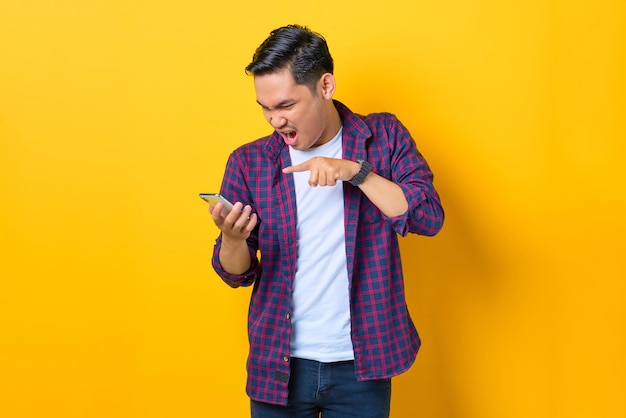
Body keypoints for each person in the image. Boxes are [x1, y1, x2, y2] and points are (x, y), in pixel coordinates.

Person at [209, 24, 444, 418]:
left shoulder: (383, 136)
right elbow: (236, 273)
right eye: (265, 108)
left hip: (362, 365)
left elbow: (427, 216)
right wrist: (232, 240)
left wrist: (356, 171)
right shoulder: (247, 162)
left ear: (326, 86)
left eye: (285, 106)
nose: (275, 121)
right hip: (278, 363)